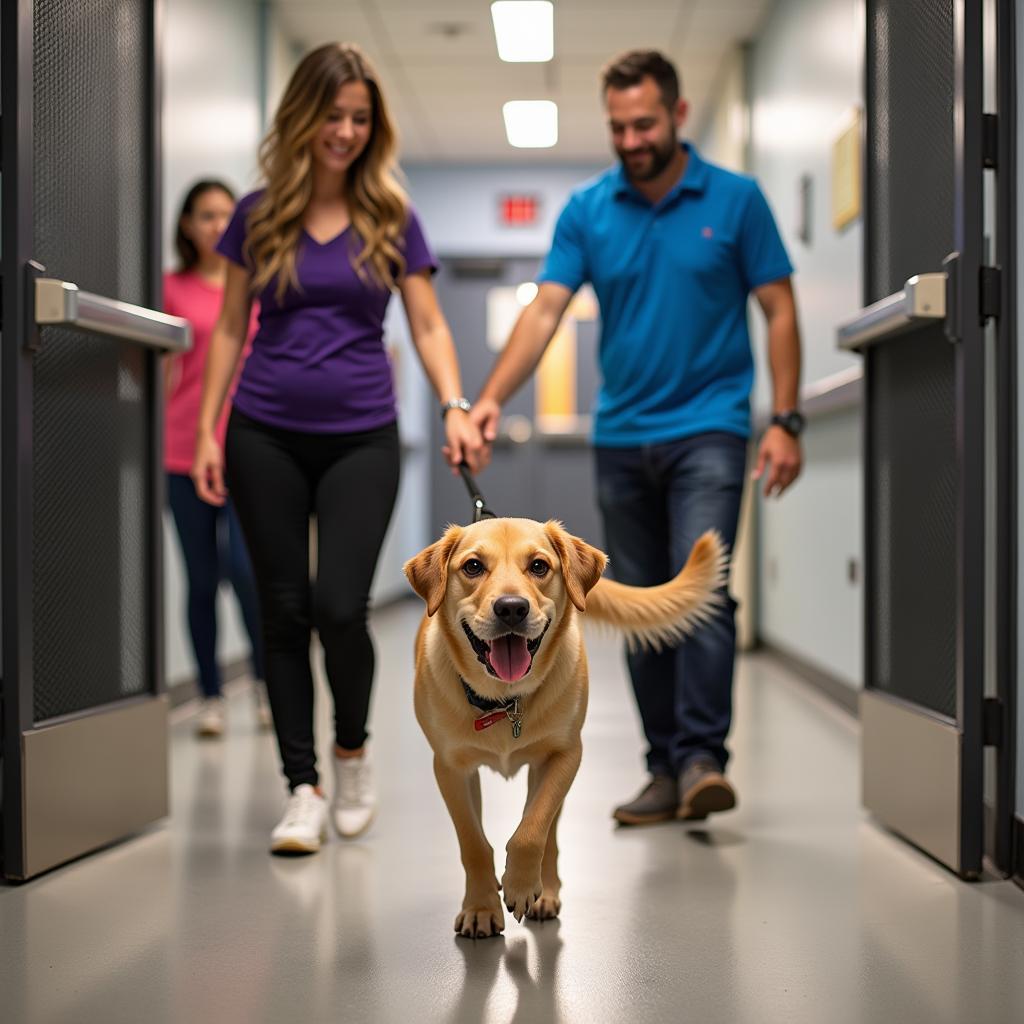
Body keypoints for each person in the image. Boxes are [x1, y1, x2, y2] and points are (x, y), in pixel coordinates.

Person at [470, 49, 803, 826]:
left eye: (644, 122)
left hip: (712, 429)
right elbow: (545, 311)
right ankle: (662, 768)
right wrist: (488, 398)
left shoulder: (737, 199)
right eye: (618, 125)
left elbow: (780, 309)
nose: (631, 138)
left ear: (679, 115)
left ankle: (700, 762)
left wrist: (785, 419)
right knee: (633, 603)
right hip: (621, 436)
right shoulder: (589, 210)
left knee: (707, 596)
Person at [192, 42, 486, 854]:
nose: (346, 132)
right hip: (263, 429)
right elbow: (227, 328)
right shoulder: (258, 214)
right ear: (301, 117)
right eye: (333, 115)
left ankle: (350, 754)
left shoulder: (391, 215)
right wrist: (209, 426)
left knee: (337, 606)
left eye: (360, 119)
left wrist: (456, 404)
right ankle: (302, 787)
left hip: (362, 431)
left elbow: (426, 322)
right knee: (280, 610)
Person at [164, 179, 268, 739]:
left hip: (248, 450)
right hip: (183, 449)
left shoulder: (250, 286)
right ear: (186, 225)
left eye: (225, 215)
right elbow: (155, 370)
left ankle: (261, 684)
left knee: (250, 576)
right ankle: (208, 694)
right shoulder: (170, 288)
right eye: (205, 215)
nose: (216, 225)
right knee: (201, 580)